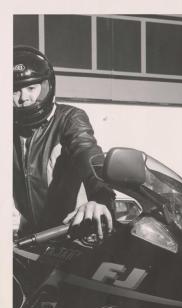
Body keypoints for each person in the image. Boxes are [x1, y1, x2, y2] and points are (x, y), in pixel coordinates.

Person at [13, 45, 115, 238]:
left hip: (70, 232)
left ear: (47, 86)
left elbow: (90, 156)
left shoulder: (69, 118)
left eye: (31, 88)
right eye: (15, 91)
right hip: (28, 237)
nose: (24, 98)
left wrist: (100, 199)